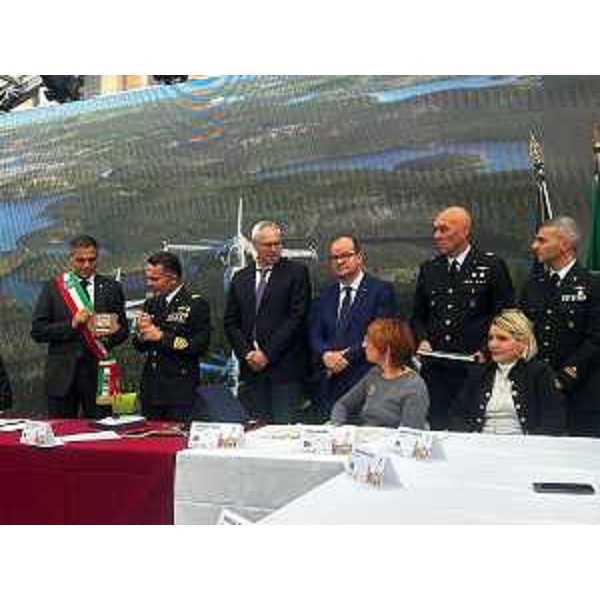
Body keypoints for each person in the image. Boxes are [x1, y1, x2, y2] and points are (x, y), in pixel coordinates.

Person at [411, 206, 514, 430]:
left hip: (475, 368)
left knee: (471, 430)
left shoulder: (490, 265)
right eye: (435, 229)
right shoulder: (430, 268)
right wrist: (422, 339)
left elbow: (506, 318)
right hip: (436, 369)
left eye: (444, 229)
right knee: (437, 429)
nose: (437, 235)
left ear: (465, 231)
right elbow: (418, 317)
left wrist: (487, 350)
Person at [31, 235, 128, 419]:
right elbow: (38, 331)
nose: (86, 265)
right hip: (62, 376)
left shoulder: (112, 287)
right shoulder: (53, 287)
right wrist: (72, 324)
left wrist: (109, 335)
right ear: (71, 259)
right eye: (80, 260)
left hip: (99, 375)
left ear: (97, 258)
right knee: (61, 431)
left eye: (92, 260)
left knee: (102, 430)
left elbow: (123, 331)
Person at [224, 221, 311, 424]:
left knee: (283, 432)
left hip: (284, 372)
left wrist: (267, 354)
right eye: (268, 244)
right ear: (254, 245)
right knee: (255, 429)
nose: (274, 249)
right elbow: (231, 322)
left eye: (277, 243)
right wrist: (247, 354)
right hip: (251, 372)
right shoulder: (240, 278)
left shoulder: (296, 273)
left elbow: (296, 319)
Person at [520, 216, 600, 436]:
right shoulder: (533, 285)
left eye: (542, 240)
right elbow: (522, 331)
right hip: (539, 389)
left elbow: (596, 338)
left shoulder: (592, 285)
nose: (534, 246)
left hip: (582, 389)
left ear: (564, 244)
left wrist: (567, 374)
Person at [310, 235, 398, 419]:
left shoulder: (380, 291)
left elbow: (379, 333)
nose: (339, 261)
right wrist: (325, 354)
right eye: (335, 257)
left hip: (365, 381)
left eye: (345, 255)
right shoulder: (325, 295)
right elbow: (314, 333)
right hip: (329, 383)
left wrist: (346, 357)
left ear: (359, 257)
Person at [450, 309, 565, 435]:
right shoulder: (479, 372)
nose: (493, 345)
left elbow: (553, 421)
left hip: (525, 445)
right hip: (479, 443)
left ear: (523, 342)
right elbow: (457, 414)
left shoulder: (539, 372)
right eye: (490, 338)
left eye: (502, 338)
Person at [133, 251, 211, 421]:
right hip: (151, 389)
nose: (149, 284)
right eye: (148, 278)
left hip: (179, 390)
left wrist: (162, 337)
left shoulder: (195, 304)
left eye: (155, 279)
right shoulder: (151, 303)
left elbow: (199, 346)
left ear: (173, 279)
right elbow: (139, 346)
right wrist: (141, 334)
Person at [330, 318, 429, 429]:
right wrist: (337, 427)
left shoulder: (414, 387)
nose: (365, 345)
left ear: (387, 350)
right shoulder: (375, 373)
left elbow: (409, 434)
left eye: (369, 341)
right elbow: (342, 405)